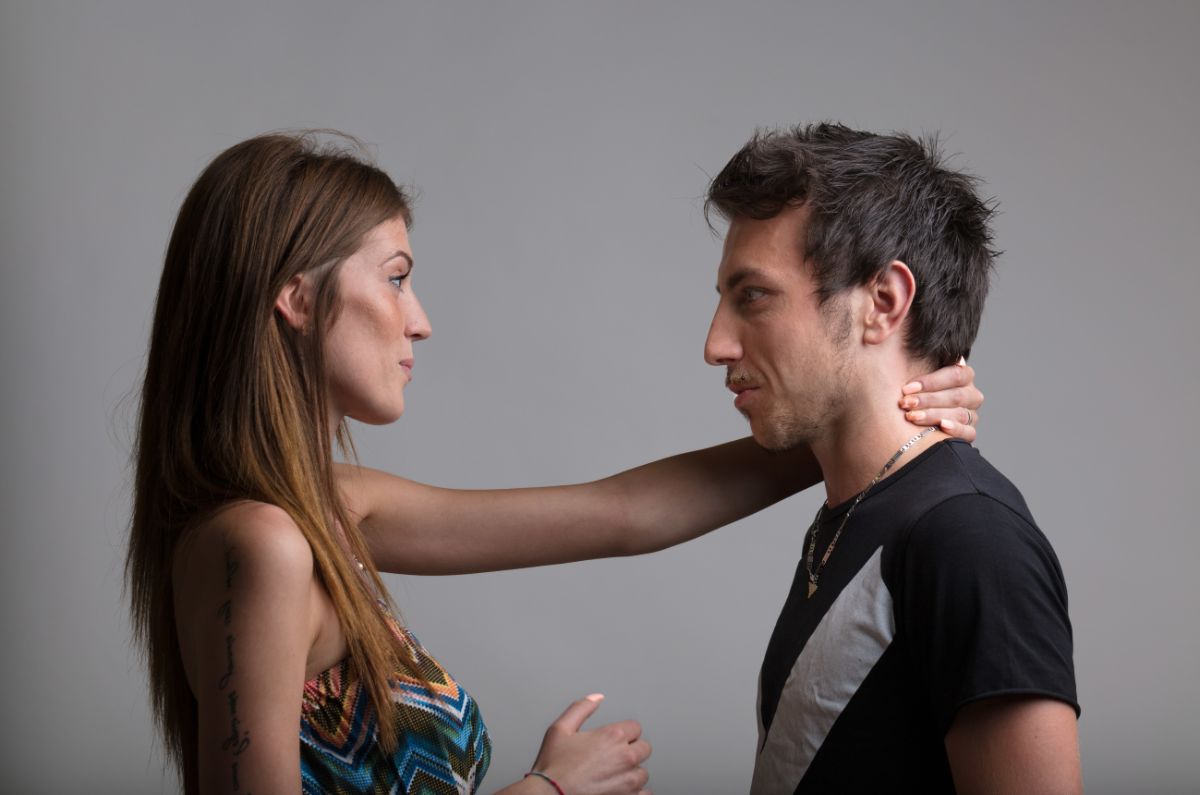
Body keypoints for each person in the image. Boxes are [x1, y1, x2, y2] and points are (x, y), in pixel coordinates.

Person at [125, 131, 983, 795]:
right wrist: (549, 787)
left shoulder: (332, 507)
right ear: (296, 296)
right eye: (395, 277)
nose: (419, 320)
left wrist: (872, 411)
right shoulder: (262, 544)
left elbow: (625, 513)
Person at [702, 123, 1081, 794]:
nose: (716, 345)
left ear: (883, 302)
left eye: (752, 295)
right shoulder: (856, 510)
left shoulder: (970, 538)